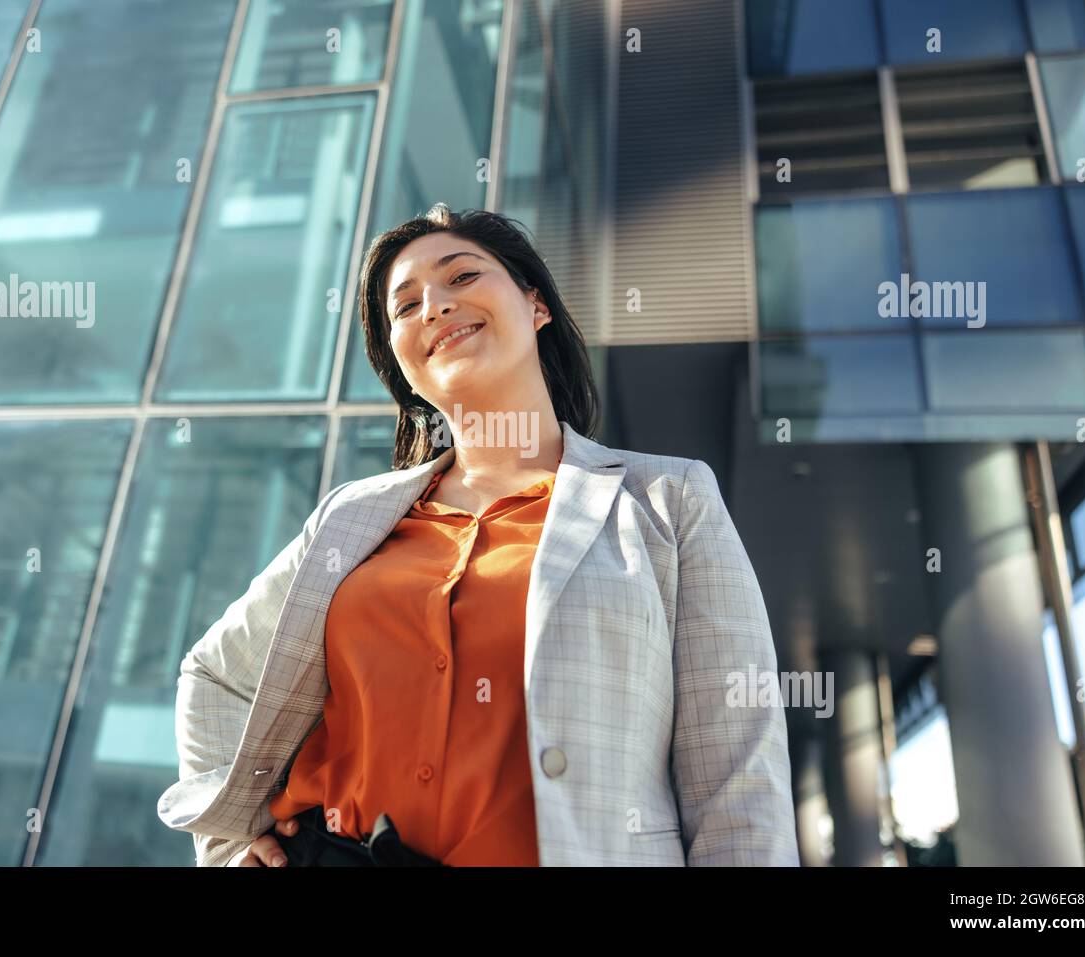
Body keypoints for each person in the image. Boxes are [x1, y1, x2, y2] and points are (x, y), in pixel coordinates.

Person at [157, 203, 799, 866]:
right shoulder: (351, 518)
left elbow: (738, 778)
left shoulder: (669, 501)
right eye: (404, 307)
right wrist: (230, 845)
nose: (432, 307)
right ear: (404, 366)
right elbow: (215, 675)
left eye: (461, 277)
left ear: (536, 305)